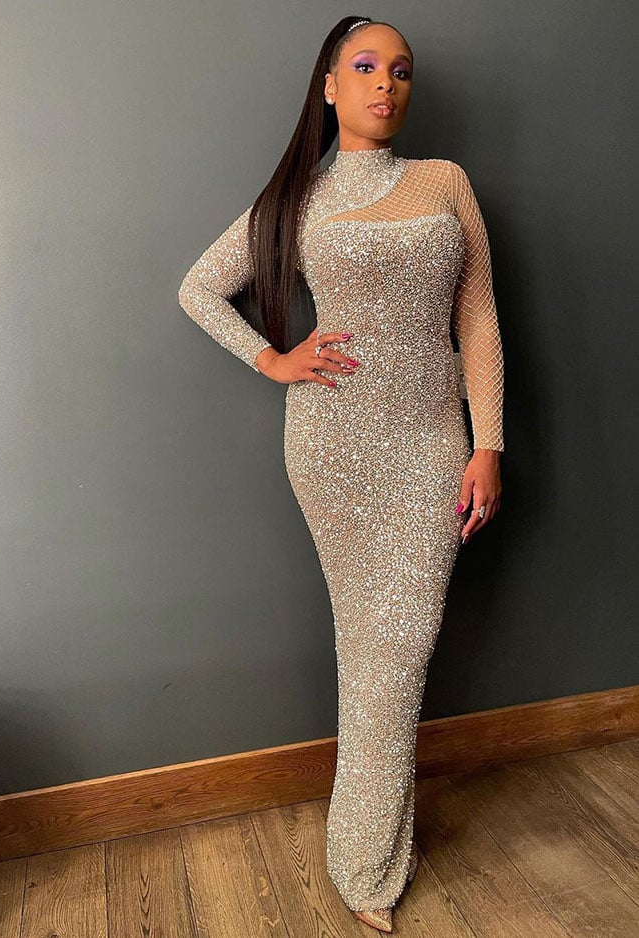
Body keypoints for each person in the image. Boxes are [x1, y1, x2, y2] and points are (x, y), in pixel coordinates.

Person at [177, 14, 504, 933]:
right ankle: (367, 863)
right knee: (372, 648)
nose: (385, 83)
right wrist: (274, 359)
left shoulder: (444, 182)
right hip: (331, 449)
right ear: (328, 86)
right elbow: (199, 288)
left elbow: (478, 316)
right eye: (364, 66)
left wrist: (488, 443)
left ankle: (362, 856)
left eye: (401, 70)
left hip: (432, 441)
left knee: (401, 645)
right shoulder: (299, 199)